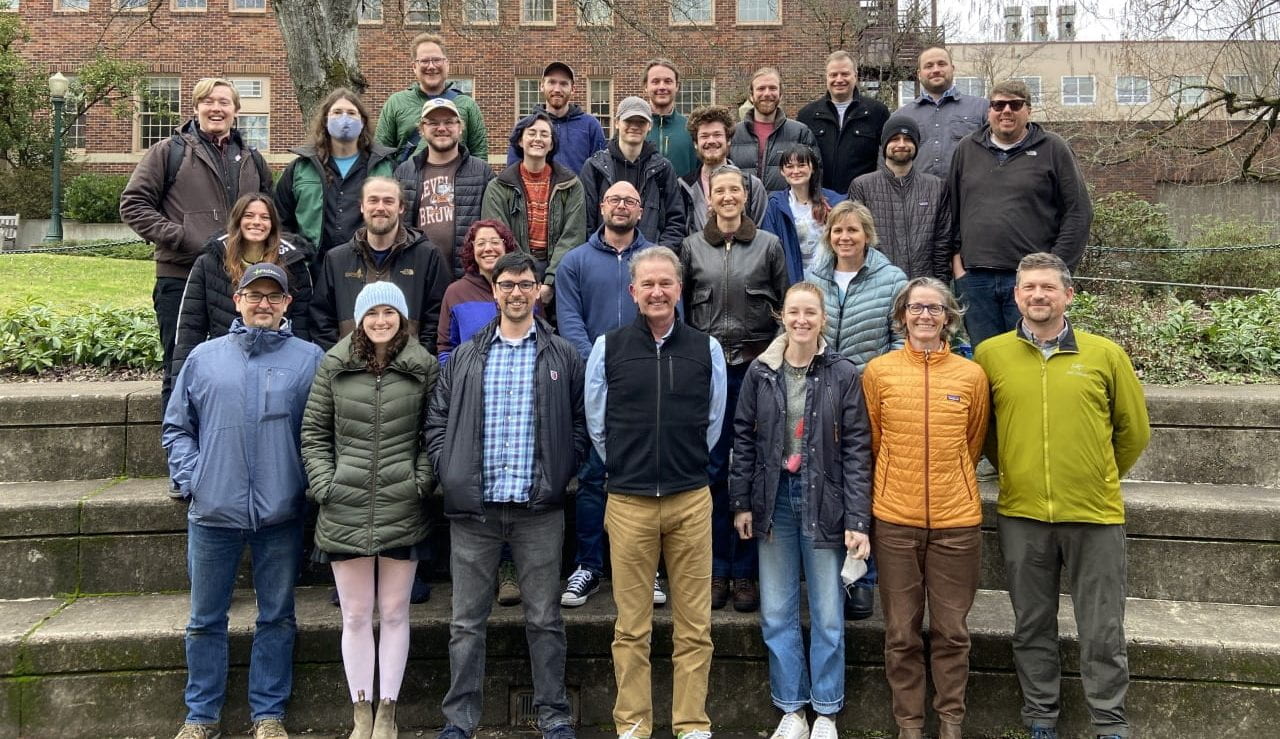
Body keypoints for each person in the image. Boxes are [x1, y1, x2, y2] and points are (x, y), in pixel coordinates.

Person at [974, 253, 1150, 739]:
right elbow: (985, 431)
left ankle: (1109, 722)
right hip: (1023, 514)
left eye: (1048, 287)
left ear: (1068, 295)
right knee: (1032, 627)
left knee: (1102, 628)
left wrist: (1096, 475)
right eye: (1028, 287)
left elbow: (1132, 431)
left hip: (1094, 515)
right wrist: (1017, 469)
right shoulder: (991, 355)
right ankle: (1040, 719)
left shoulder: (1104, 354)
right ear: (1015, 296)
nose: (1037, 295)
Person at [424, 251, 586, 739]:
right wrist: (449, 472)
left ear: (539, 292)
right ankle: (459, 721)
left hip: (539, 509)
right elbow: (436, 421)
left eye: (526, 284)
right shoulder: (468, 355)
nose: (517, 292)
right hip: (475, 510)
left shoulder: (563, 355)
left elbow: (581, 424)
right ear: (493, 291)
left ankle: (554, 716)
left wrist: (562, 470)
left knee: (545, 620)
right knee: (465, 625)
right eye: (507, 284)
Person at [162, 262, 325, 739]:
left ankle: (268, 714)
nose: (263, 304)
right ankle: (200, 716)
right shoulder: (204, 358)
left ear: (287, 304)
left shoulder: (309, 359)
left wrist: (302, 484)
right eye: (255, 295)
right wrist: (195, 478)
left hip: (280, 511)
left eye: (274, 297)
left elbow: (320, 431)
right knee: (204, 620)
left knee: (277, 617)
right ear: (237, 300)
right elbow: (177, 427)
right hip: (213, 511)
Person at [585, 246, 727, 739]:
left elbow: (712, 423)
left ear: (679, 289)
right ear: (633, 291)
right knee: (631, 628)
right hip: (628, 502)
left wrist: (681, 463)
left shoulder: (705, 349)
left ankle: (690, 724)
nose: (657, 291)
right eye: (647, 284)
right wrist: (630, 466)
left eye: (665, 282)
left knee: (695, 627)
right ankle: (633, 725)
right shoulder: (609, 348)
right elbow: (598, 425)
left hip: (691, 500)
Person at [729, 282, 871, 739]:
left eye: (811, 312)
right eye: (794, 312)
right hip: (774, 502)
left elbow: (856, 448)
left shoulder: (842, 372)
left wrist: (857, 519)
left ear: (822, 319)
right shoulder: (761, 372)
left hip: (824, 501)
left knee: (828, 613)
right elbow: (744, 439)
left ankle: (826, 710)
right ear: (781, 317)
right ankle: (792, 708)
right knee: (777, 610)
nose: (802, 320)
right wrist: (741, 502)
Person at [301, 281, 438, 739]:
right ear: (360, 319)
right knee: (356, 614)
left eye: (390, 313)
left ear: (402, 318)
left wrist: (421, 481)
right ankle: (361, 711)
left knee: (396, 611)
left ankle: (388, 711)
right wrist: (326, 484)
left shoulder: (423, 368)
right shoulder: (334, 365)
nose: (382, 321)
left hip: (404, 504)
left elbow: (431, 432)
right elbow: (314, 432)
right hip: (345, 504)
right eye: (372, 313)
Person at [861, 278, 990, 739]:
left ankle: (951, 722)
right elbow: (871, 443)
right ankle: (909, 725)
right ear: (901, 317)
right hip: (895, 520)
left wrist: (952, 480)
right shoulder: (878, 372)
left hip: (957, 524)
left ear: (948, 318)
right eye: (915, 308)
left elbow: (972, 443)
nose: (924, 316)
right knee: (900, 633)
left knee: (953, 631)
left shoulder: (971, 376)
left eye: (934, 308)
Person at [120, 77, 272, 410]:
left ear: (236, 111)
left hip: (235, 280)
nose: (216, 108)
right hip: (180, 276)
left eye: (224, 102)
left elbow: (270, 213)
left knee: (231, 370)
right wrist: (181, 237)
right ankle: (181, 454)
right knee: (181, 366)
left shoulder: (251, 159)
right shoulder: (167, 152)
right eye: (208, 101)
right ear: (195, 107)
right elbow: (133, 204)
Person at [680, 164, 789, 613]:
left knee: (750, 467)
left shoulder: (769, 246)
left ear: (746, 197)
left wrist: (774, 361)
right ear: (708, 199)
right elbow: (683, 310)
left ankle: (745, 572)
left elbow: (785, 310)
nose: (726, 197)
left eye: (734, 190)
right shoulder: (690, 248)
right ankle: (716, 568)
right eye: (719, 190)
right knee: (711, 470)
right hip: (708, 372)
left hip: (754, 369)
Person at [555, 181, 659, 609]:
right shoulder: (575, 262)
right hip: (593, 385)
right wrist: (599, 366)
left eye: (630, 201)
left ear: (640, 210)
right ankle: (589, 566)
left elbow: (667, 312)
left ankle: (645, 569)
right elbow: (570, 320)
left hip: (644, 384)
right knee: (595, 475)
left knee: (644, 477)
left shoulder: (655, 260)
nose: (621, 206)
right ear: (601, 207)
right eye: (614, 199)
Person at [804, 200, 906, 620]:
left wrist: (889, 385)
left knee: (863, 485)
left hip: (869, 395)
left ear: (868, 235)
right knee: (825, 482)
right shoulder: (814, 277)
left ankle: (862, 579)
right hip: (820, 396)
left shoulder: (892, 279)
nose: (844, 238)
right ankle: (829, 577)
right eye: (837, 231)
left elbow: (901, 337)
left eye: (853, 231)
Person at [948, 79, 1092, 347]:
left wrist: (1055, 270)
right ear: (989, 110)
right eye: (998, 105)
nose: (1006, 111)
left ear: (1028, 110)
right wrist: (958, 268)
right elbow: (951, 211)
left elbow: (1078, 212)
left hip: (1030, 280)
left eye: (1015, 105)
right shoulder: (967, 149)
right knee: (987, 359)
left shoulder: (1053, 149)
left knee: (1033, 354)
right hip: (975, 280)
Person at [172, 194, 313, 387]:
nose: (257, 222)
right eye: (249, 215)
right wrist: (180, 383)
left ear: (273, 224)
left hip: (279, 370)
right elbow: (190, 327)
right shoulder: (209, 263)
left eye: (265, 217)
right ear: (237, 220)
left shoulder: (293, 263)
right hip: (224, 370)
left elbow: (303, 326)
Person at [310, 177, 450, 354]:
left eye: (388, 201)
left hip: (408, 371)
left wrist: (419, 359)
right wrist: (342, 360)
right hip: (349, 371)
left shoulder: (428, 256)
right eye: (373, 200)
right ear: (362, 206)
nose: (380, 208)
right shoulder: (336, 259)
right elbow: (321, 319)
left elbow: (437, 318)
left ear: (401, 208)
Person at [275, 88, 396, 275]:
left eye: (351, 113)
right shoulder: (301, 167)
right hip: (313, 270)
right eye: (337, 113)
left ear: (362, 122)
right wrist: (297, 256)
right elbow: (281, 220)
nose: (344, 118)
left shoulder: (384, 166)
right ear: (325, 120)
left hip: (370, 267)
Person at [482, 111, 587, 310]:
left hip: (559, 273)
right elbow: (500, 236)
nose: (537, 139)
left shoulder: (572, 185)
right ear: (520, 141)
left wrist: (549, 282)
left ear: (552, 144)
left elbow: (573, 236)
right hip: (514, 274)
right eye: (531, 133)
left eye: (544, 134)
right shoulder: (497, 187)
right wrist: (527, 280)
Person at [394, 97, 495, 279]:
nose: (442, 128)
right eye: (433, 123)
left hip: (468, 278)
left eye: (449, 122)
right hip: (418, 277)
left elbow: (494, 226)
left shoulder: (482, 172)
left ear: (460, 127)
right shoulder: (404, 172)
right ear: (422, 130)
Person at [847, 115, 951, 280]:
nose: (901, 144)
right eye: (895, 139)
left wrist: (940, 285)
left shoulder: (936, 187)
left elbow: (942, 243)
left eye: (908, 139)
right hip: (878, 286)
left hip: (924, 286)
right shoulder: (862, 186)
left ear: (916, 145)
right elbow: (856, 242)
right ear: (885, 144)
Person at [580, 96, 687, 249]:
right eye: (629, 121)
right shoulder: (594, 167)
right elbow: (585, 222)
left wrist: (659, 255)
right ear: (617, 123)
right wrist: (598, 254)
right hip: (604, 256)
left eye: (641, 122)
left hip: (650, 263)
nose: (634, 126)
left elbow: (675, 221)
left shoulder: (663, 169)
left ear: (649, 126)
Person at [375, 32, 488, 162]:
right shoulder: (396, 103)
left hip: (456, 181)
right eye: (424, 61)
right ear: (414, 67)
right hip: (407, 181)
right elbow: (380, 154)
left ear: (447, 64)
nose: (431, 66)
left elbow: (480, 155)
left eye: (436, 60)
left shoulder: (468, 105)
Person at [797, 50, 891, 194]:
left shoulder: (877, 113)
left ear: (855, 76)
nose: (839, 79)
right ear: (826, 78)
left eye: (845, 74)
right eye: (833, 75)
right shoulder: (807, 116)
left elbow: (887, 160)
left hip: (862, 200)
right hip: (820, 202)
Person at [436, 219, 526, 364]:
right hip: (470, 381)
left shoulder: (525, 288)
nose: (488, 248)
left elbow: (541, 337)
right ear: (472, 250)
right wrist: (455, 382)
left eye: (495, 242)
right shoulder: (456, 293)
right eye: (481, 243)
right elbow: (446, 349)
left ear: (506, 247)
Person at [894, 46, 988, 179]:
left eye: (942, 64)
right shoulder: (901, 117)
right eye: (929, 66)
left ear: (952, 69)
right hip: (918, 196)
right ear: (919, 74)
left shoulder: (982, 108)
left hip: (968, 194)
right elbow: (889, 162)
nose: (936, 70)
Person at [760, 143, 847, 283]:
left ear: (812, 168)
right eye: (789, 166)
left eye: (801, 165)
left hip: (831, 280)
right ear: (782, 171)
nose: (795, 171)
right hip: (793, 282)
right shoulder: (775, 204)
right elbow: (769, 247)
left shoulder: (834, 201)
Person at [505, 62, 606, 174]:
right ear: (542, 86)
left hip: (579, 191)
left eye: (563, 84)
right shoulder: (526, 126)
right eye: (552, 82)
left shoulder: (591, 126)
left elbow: (600, 172)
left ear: (573, 89)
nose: (557, 89)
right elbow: (513, 173)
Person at [680, 105, 767, 233]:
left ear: (729, 140)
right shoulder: (683, 187)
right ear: (695, 143)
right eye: (704, 136)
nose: (711, 141)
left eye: (717, 135)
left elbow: (763, 235)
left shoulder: (753, 186)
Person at [729, 67, 818, 191]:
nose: (767, 94)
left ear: (780, 94)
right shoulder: (733, 134)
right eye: (761, 88)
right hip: (743, 209)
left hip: (785, 209)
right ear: (751, 95)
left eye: (772, 88)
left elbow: (816, 174)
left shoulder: (800, 133)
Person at [643, 58, 697, 177]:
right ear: (645, 86)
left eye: (668, 81)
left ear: (677, 86)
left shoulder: (692, 129)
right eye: (655, 81)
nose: (662, 87)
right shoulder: (634, 129)